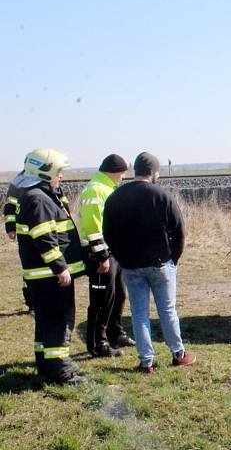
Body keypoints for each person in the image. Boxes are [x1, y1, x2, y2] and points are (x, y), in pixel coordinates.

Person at [103, 152, 195, 373]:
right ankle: (178, 354)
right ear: (153, 172)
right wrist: (173, 258)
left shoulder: (115, 197)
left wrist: (121, 256)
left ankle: (146, 362)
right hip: (161, 263)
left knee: (139, 314)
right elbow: (179, 232)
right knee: (167, 310)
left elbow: (108, 234)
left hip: (131, 266)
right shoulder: (162, 195)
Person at [15, 148, 87, 384]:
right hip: (49, 276)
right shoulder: (39, 198)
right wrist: (60, 267)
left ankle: (46, 365)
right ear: (46, 172)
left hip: (43, 276)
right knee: (58, 321)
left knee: (45, 321)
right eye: (59, 172)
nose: (61, 177)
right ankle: (61, 371)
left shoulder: (36, 195)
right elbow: (44, 237)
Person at [78, 154, 136, 357]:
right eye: (123, 173)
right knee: (101, 299)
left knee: (118, 294)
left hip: (111, 252)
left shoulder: (106, 188)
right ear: (116, 171)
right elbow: (92, 226)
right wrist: (101, 256)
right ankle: (97, 344)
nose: (123, 177)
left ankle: (114, 332)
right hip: (99, 254)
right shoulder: (96, 190)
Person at [4, 171, 34, 312]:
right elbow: (10, 206)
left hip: (48, 230)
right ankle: (31, 302)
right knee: (30, 268)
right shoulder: (18, 182)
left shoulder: (48, 179)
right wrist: (10, 228)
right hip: (25, 232)